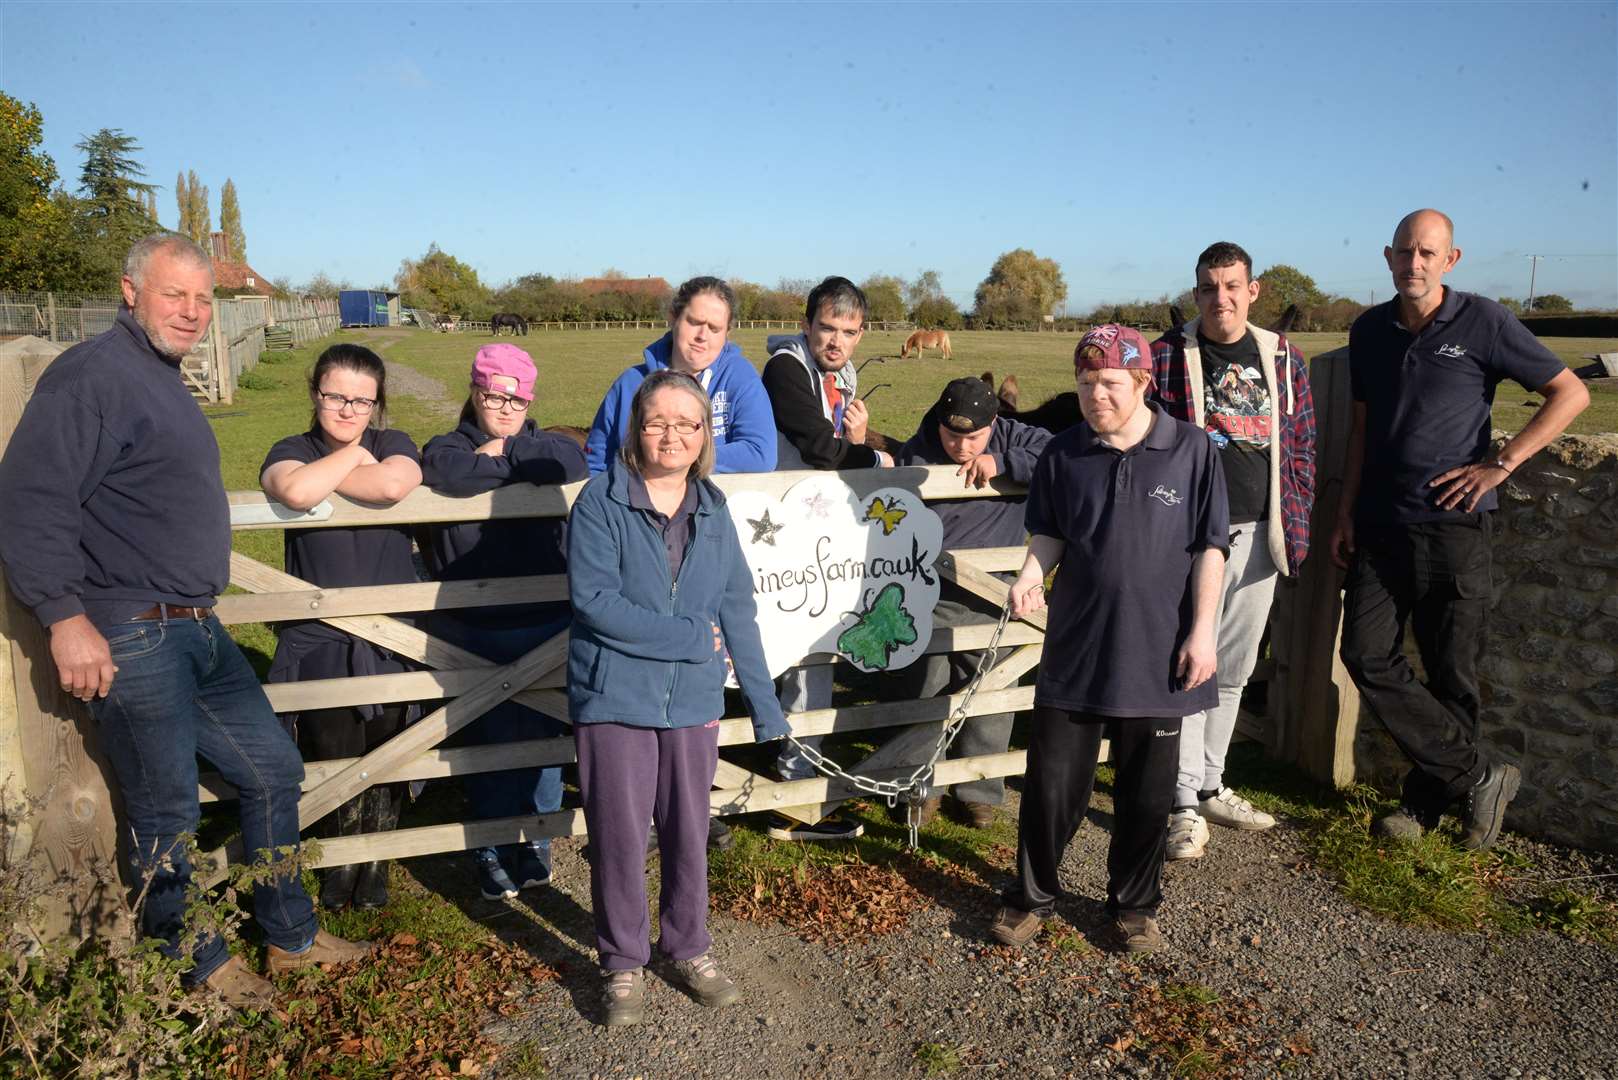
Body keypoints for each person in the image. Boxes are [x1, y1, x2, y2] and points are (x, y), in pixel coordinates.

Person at [0, 233, 371, 1008]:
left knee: (272, 769)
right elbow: (30, 504)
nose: (194, 312)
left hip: (196, 627)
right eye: (176, 295)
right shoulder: (91, 377)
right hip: (130, 628)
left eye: (204, 299)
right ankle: (191, 966)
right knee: (164, 808)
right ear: (130, 292)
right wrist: (64, 618)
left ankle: (289, 936)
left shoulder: (158, 378)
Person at [1333, 209, 1589, 850]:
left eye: (1427, 253)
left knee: (1452, 675)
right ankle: (1477, 775)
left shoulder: (1485, 321)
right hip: (1381, 524)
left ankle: (1423, 809)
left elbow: (1570, 393)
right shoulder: (1368, 330)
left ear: (1451, 259)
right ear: (1387, 257)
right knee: (1365, 654)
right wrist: (1344, 510)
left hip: (1454, 528)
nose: (1413, 264)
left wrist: (1500, 465)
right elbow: (1362, 429)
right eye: (1403, 252)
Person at [989, 325, 1229, 954]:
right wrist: (1029, 575)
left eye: (1111, 383)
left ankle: (1135, 906)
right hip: (1077, 646)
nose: (1096, 394)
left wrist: (1203, 634)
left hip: (1159, 651)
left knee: (1146, 794)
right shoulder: (1064, 453)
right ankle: (1030, 899)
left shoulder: (1193, 450)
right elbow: (1049, 532)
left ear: (1144, 383)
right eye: (1086, 381)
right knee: (1050, 787)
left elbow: (1212, 548)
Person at [567, 369, 790, 1027]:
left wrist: (765, 703)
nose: (671, 434)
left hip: (692, 704)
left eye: (686, 423)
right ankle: (622, 961)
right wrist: (691, 637)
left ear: (704, 435)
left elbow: (736, 607)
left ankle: (687, 947)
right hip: (614, 696)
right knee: (618, 837)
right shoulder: (601, 502)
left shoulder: (714, 509)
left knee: (690, 832)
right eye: (657, 421)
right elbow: (595, 603)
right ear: (637, 428)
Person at [1149, 241, 1317, 859]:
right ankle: (1182, 801)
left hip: (1259, 533)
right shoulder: (1170, 356)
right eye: (1208, 287)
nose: (1220, 298)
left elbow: (1300, 445)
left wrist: (1293, 523)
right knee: (1189, 662)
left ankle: (1214, 782)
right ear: (1195, 293)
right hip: (1191, 536)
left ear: (1253, 290)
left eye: (1231, 286)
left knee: (1234, 670)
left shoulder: (1283, 357)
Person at [259, 343, 423, 911]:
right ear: (315, 393)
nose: (350, 410)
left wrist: (345, 465)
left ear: (378, 404)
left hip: (392, 633)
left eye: (363, 400)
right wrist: (354, 459)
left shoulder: (394, 443)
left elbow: (394, 486)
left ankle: (374, 861)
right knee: (332, 743)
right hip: (321, 634)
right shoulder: (290, 448)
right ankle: (338, 860)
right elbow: (296, 489)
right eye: (337, 396)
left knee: (390, 746)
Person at [421, 343, 588, 898]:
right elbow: (447, 473)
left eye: (517, 399)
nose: (506, 407)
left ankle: (535, 838)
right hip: (480, 626)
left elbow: (567, 463)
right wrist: (509, 465)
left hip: (546, 619)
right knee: (491, 736)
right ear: (475, 391)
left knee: (544, 730)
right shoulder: (446, 445)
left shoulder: (548, 443)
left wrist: (498, 458)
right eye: (495, 394)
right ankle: (492, 842)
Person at [758, 276, 893, 841]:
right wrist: (872, 456)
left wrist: (855, 434)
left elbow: (832, 441)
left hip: (815, 526)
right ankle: (790, 796)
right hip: (777, 527)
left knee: (810, 652)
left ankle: (793, 783)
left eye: (849, 331)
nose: (836, 341)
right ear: (807, 323)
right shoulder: (786, 368)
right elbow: (817, 445)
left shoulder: (839, 376)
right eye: (827, 328)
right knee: (793, 650)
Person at [888, 376, 1052, 828]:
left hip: (993, 590)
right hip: (934, 593)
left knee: (994, 684)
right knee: (929, 682)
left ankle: (979, 787)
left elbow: (1059, 456)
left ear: (994, 423)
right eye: (952, 435)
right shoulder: (919, 452)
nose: (961, 446)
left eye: (973, 437)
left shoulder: (1014, 437)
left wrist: (1003, 461)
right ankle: (920, 786)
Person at [585, 276, 777, 475]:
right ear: (673, 318)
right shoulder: (630, 384)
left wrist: (678, 459)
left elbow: (761, 454)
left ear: (727, 333)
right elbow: (596, 462)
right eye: (694, 322)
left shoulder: (740, 377)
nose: (702, 336)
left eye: (714, 328)